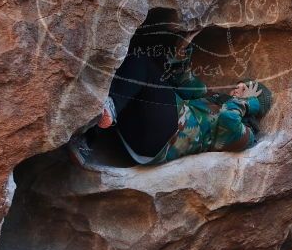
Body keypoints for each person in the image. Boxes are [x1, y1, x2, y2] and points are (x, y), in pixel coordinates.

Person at [83, 30, 273, 165]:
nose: (238, 87)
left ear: (254, 103)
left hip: (167, 136)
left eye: (246, 89)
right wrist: (183, 50)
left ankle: (111, 108)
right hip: (143, 135)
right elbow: (185, 84)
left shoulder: (246, 135)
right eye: (240, 85)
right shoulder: (214, 100)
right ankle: (87, 138)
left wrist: (249, 103)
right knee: (131, 75)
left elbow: (228, 118)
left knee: (141, 64)